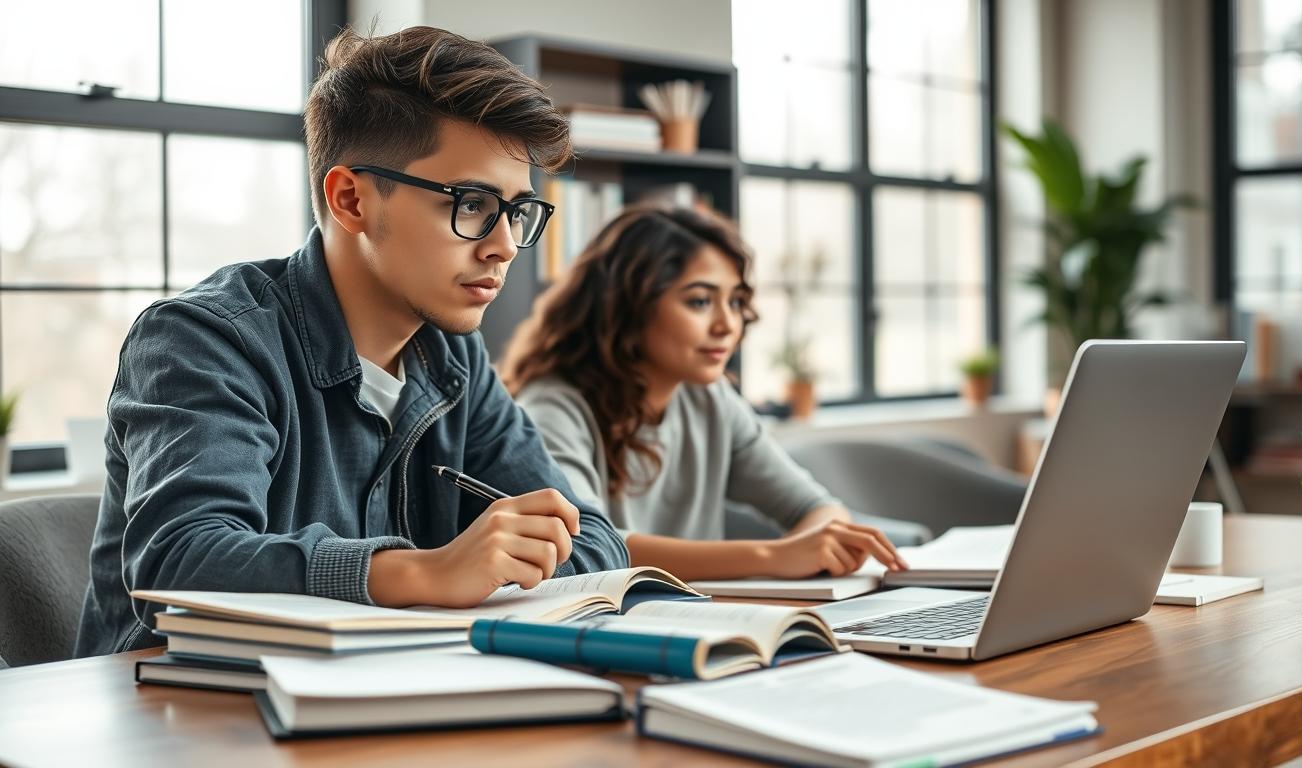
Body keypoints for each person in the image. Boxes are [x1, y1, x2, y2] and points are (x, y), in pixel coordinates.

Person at [74, 26, 628, 658]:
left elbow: (592, 538)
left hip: (380, 696)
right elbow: (181, 558)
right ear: (350, 198)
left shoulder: (452, 359)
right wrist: (424, 573)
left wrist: (507, 559)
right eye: (472, 203)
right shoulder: (204, 340)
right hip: (176, 714)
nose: (503, 245)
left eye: (517, 211)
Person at [499, 205, 906, 582]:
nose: (728, 325)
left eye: (735, 301)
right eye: (699, 301)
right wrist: (772, 557)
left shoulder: (711, 398)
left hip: (705, 617)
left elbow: (816, 507)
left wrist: (820, 547)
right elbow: (586, 546)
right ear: (628, 306)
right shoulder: (553, 407)